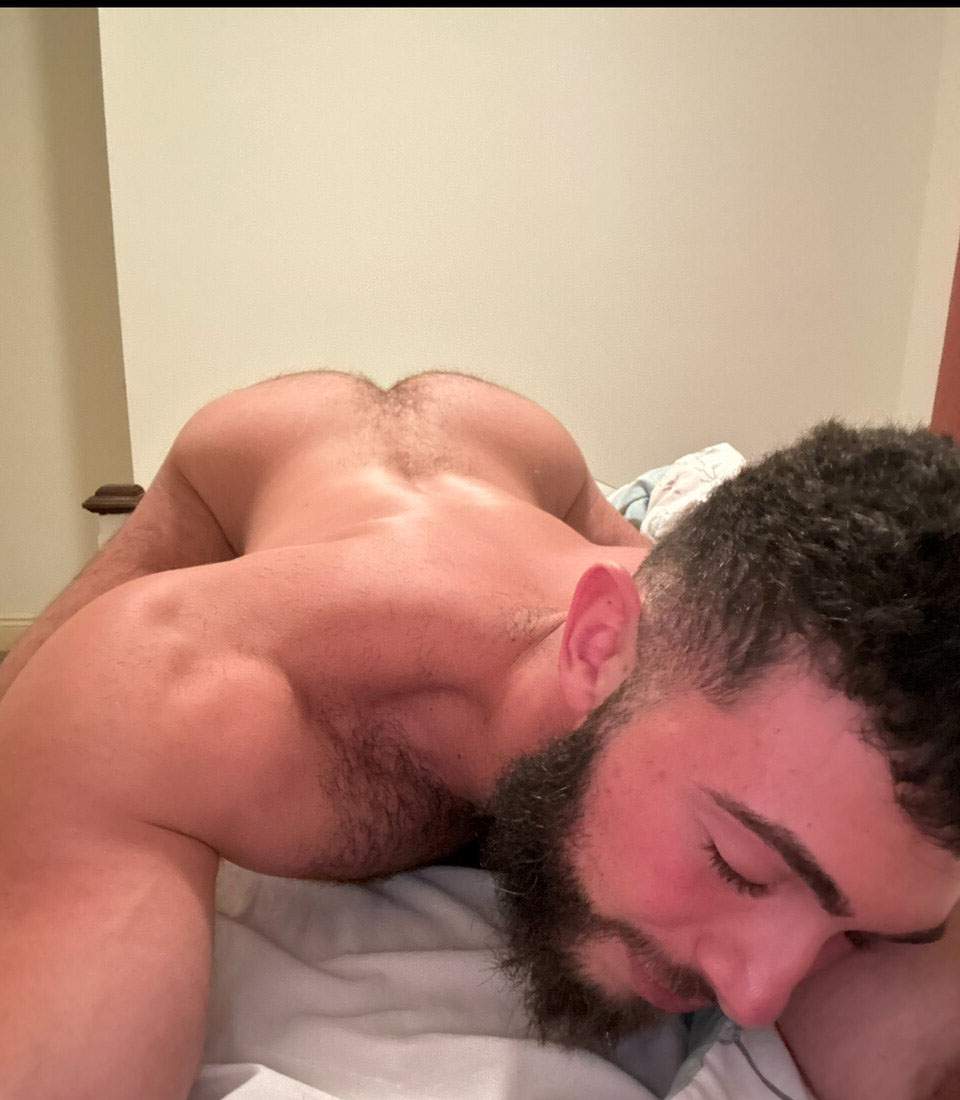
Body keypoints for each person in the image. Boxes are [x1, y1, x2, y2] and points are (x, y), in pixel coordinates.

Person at [0, 369, 958, 1100]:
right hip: (251, 451)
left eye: (858, 933)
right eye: (738, 865)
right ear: (596, 646)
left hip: (515, 445)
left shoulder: (691, 657)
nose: (756, 1000)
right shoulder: (180, 700)